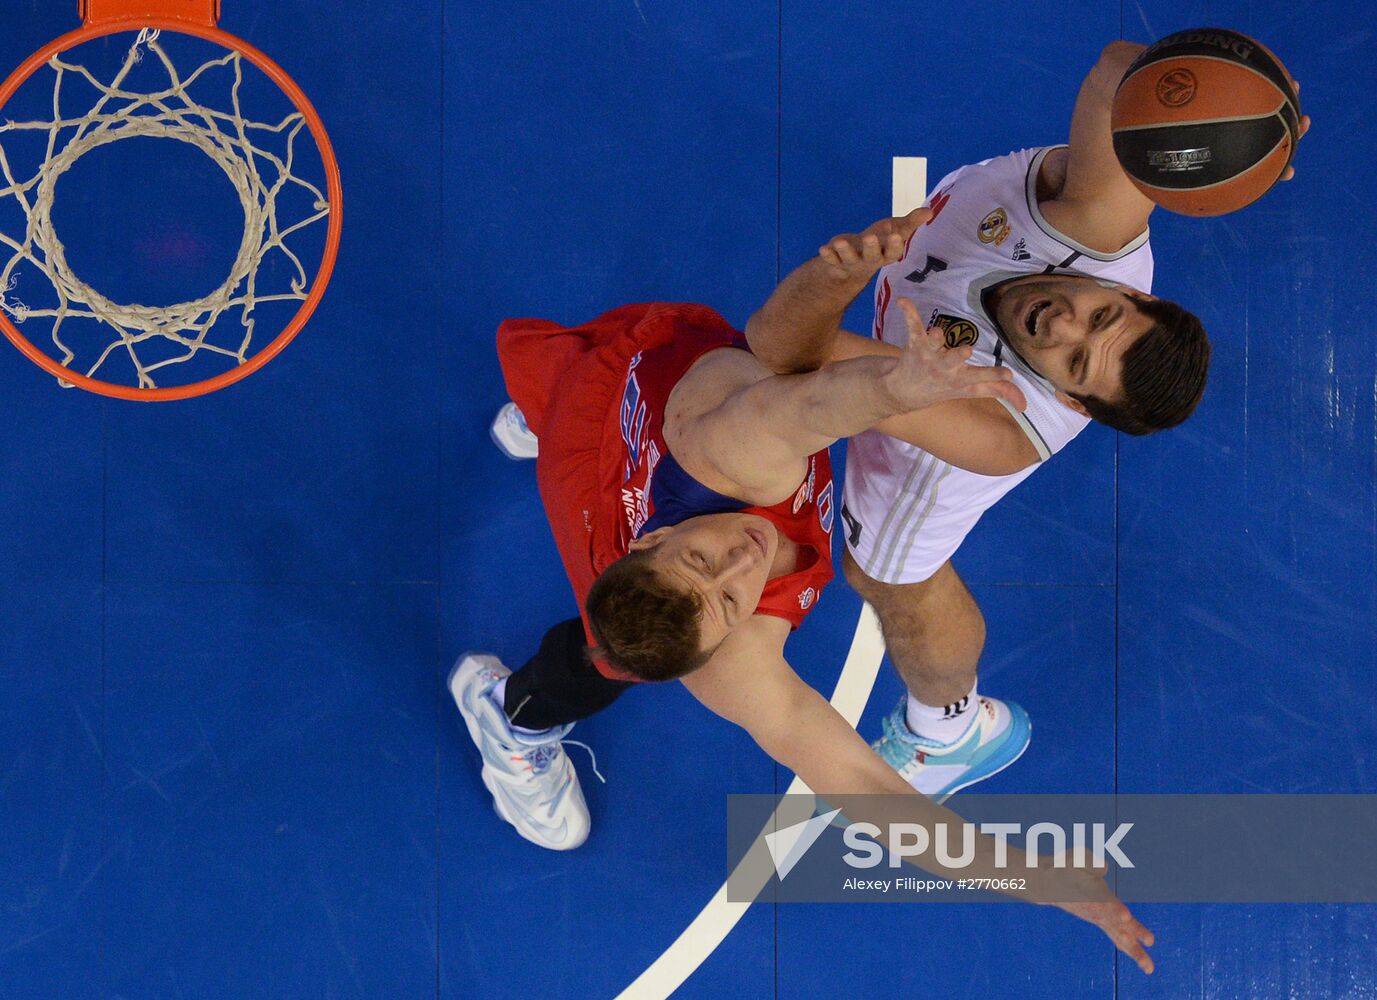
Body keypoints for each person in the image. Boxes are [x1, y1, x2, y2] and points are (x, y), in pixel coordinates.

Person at [456, 284, 1156, 971]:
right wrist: (1034, 881)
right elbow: (868, 791)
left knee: (603, 428)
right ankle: (509, 714)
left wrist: (897, 389)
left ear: (647, 541)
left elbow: (811, 402)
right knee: (613, 655)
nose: (741, 560)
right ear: (722, 645)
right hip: (623, 433)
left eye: (700, 557)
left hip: (631, 412)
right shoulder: (728, 665)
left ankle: (552, 417)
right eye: (730, 602)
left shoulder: (730, 456)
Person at [743, 41, 1310, 799]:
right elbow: (1119, 68)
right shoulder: (1094, 219)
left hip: (918, 451)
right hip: (911, 332)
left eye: (1074, 362)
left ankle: (950, 732)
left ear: (1069, 400)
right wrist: (1226, 127)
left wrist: (833, 279)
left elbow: (780, 350)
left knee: (885, 576)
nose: (1060, 325)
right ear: (1129, 290)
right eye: (1099, 313)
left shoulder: (986, 427)